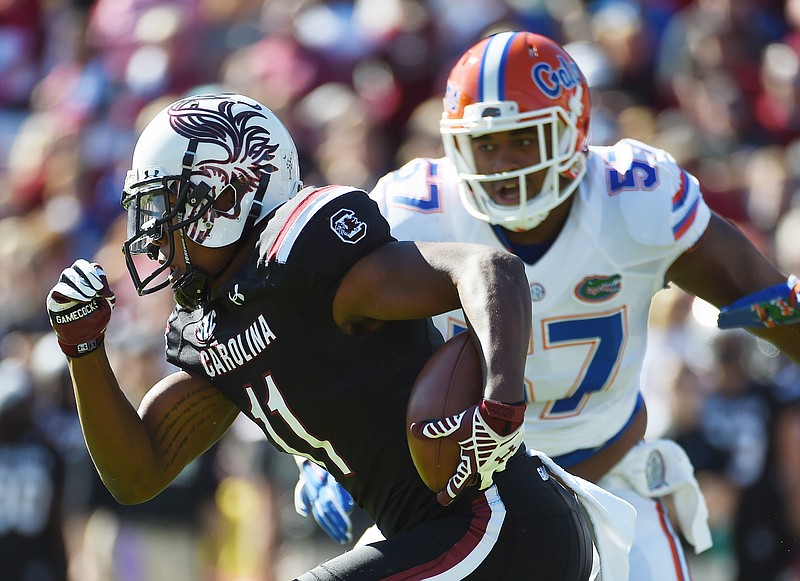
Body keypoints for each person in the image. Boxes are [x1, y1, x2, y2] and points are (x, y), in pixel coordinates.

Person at [300, 31, 800, 579]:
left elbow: (764, 293)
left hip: (610, 482)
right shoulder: (414, 211)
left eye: (524, 140)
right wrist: (320, 455)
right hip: (456, 500)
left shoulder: (634, 200)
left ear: (573, 131)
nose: (504, 166)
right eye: (485, 146)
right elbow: (322, 337)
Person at [45, 92, 596, 580]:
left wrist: (501, 402)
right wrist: (84, 351)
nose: (155, 234)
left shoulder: (307, 263)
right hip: (438, 538)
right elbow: (136, 475)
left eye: (169, 206)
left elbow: (489, 270)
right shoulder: (214, 328)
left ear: (227, 195)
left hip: (501, 525)